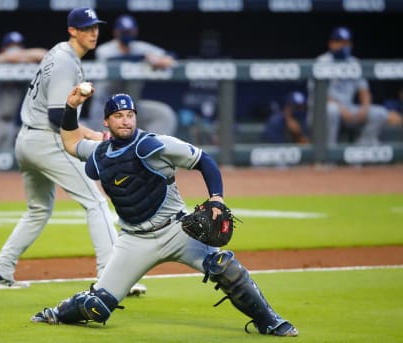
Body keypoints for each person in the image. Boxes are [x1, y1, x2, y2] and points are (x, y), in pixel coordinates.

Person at [30, 88, 299, 337]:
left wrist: (216, 198)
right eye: (118, 116)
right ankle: (57, 312)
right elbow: (71, 141)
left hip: (177, 230)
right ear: (106, 122)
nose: (125, 121)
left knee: (224, 267)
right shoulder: (100, 153)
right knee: (97, 305)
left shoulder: (154, 144)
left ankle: (269, 320)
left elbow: (203, 160)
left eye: (130, 115)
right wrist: (70, 107)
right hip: (133, 241)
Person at [0, 8, 146, 296]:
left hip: (27, 140)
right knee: (96, 202)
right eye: (86, 28)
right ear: (72, 30)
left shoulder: (60, 53)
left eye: (95, 27)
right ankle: (111, 278)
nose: (93, 33)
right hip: (46, 140)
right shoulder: (64, 61)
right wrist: (92, 134)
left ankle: (1, 271)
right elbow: (57, 117)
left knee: (38, 210)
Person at [85, 14, 178, 136]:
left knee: (164, 115)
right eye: (123, 31)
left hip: (131, 108)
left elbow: (170, 55)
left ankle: (152, 152)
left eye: (129, 31)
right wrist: (145, 58)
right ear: (116, 32)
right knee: (111, 148)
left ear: (135, 31)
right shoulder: (105, 50)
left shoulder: (139, 47)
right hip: (105, 110)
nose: (126, 34)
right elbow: (115, 61)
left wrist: (163, 59)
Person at [314, 26, 402, 146]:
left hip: (349, 109)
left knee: (380, 113)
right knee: (332, 111)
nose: (344, 46)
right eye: (340, 42)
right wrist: (341, 109)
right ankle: (328, 156)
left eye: (347, 43)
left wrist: (364, 108)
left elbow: (364, 92)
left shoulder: (354, 62)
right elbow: (320, 96)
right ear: (331, 44)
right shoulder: (321, 62)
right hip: (326, 110)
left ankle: (359, 152)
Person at [0, 31, 47, 152]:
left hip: (10, 123)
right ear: (4, 49)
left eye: (18, 46)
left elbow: (45, 54)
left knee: (4, 168)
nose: (15, 50)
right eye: (11, 46)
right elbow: (10, 57)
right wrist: (21, 56)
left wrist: (24, 57)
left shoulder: (25, 67)